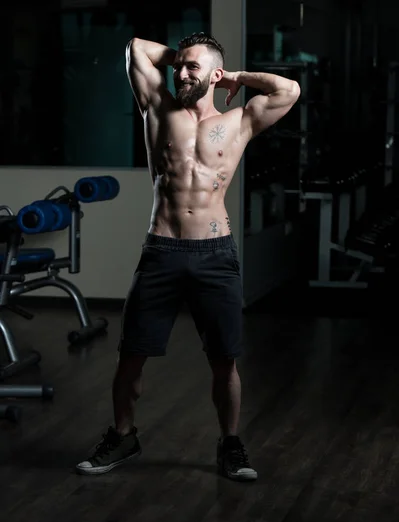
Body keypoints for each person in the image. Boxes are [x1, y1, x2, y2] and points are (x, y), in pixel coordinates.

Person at [76, 32, 300, 482]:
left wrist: (233, 75)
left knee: (224, 360)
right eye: (178, 66)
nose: (180, 73)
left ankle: (230, 444)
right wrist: (182, 55)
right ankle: (123, 436)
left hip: (215, 254)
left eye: (191, 68)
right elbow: (136, 48)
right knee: (130, 356)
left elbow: (288, 90)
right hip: (161, 249)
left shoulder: (240, 122)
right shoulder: (157, 110)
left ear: (215, 76)